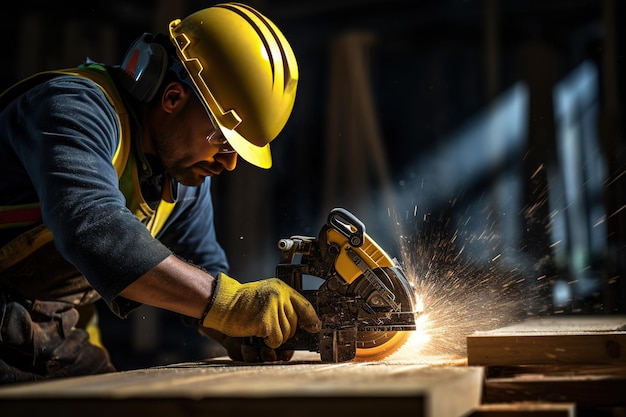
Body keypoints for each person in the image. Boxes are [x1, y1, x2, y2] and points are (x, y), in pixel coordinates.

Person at [0, 3, 321, 383]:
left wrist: (237, 328)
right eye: (222, 140)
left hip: (53, 338)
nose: (230, 163)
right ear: (172, 99)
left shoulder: (181, 179)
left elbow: (207, 276)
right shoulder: (72, 109)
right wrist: (229, 305)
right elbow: (92, 229)